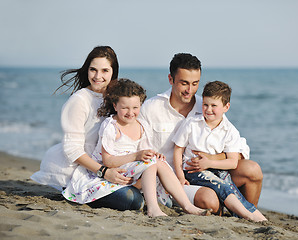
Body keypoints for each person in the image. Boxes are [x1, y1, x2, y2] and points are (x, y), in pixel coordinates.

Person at [63, 78, 210, 217]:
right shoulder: (111, 126)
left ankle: (187, 206)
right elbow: (107, 161)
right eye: (125, 108)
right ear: (115, 106)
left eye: (135, 107)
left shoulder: (141, 126)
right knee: (149, 165)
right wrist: (137, 156)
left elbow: (144, 154)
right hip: (109, 173)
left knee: (157, 162)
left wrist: (154, 155)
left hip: (131, 172)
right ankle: (153, 209)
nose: (130, 112)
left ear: (141, 105)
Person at [138, 53, 263, 214]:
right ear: (171, 79)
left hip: (211, 170)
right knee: (210, 200)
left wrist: (210, 159)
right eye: (184, 83)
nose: (189, 90)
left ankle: (248, 216)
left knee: (252, 170)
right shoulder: (151, 108)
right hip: (173, 179)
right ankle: (225, 206)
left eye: (195, 83)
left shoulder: (207, 106)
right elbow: (139, 149)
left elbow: (240, 150)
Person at [31, 46, 144, 211]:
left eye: (105, 70)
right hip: (79, 169)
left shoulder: (118, 99)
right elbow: (72, 150)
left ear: (113, 72)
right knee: (132, 200)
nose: (98, 76)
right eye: (93, 70)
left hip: (109, 165)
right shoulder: (79, 101)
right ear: (87, 70)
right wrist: (105, 172)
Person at [172, 81, 267, 221]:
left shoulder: (230, 130)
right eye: (205, 105)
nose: (208, 109)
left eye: (213, 106)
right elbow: (177, 151)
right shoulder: (192, 123)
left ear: (226, 107)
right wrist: (180, 176)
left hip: (215, 169)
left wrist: (209, 162)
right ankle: (246, 215)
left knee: (230, 186)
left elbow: (233, 162)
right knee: (222, 186)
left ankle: (257, 217)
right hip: (193, 171)